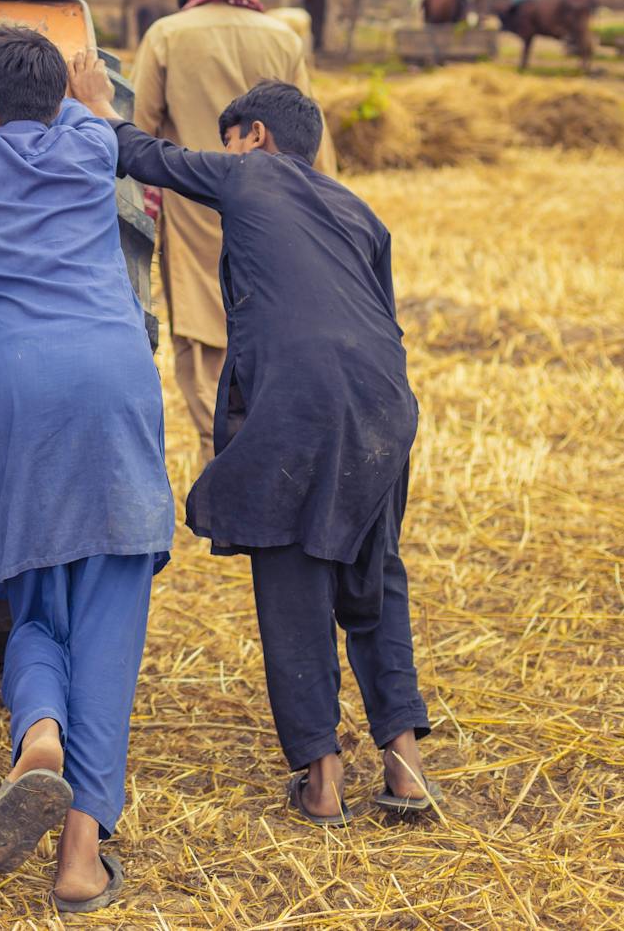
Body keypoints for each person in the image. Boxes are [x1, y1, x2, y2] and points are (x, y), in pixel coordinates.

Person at [71, 62, 436, 826]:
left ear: (256, 139)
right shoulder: (361, 212)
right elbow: (384, 321)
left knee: (291, 570)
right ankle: (406, 771)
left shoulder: (251, 177)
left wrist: (100, 108)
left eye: (228, 141)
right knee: (374, 574)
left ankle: (323, 778)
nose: (224, 154)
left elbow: (146, 158)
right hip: (383, 404)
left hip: (299, 400)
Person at [0, 28, 173, 915]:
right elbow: (97, 115)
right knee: (107, 629)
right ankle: (80, 858)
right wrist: (90, 90)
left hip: (21, 397)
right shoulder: (91, 146)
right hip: (116, 384)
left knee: (37, 607)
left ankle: (39, 730)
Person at [134, 0, 335, 462]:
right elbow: (313, 138)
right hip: (281, 219)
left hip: (196, 210)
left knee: (203, 340)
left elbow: (138, 132)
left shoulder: (167, 35)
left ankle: (221, 455)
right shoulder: (284, 39)